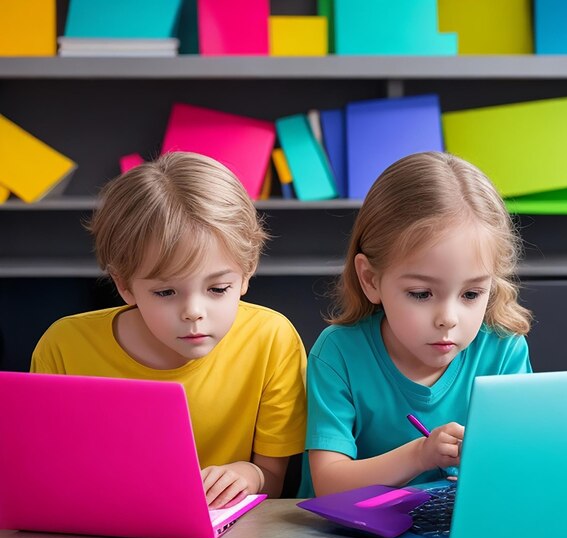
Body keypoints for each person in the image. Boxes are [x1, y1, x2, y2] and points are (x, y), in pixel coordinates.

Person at [31, 152, 307, 508]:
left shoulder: (271, 338)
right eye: (165, 292)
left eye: (217, 289)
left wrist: (248, 475)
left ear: (246, 272)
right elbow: (46, 477)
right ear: (124, 285)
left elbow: (272, 479)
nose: (194, 312)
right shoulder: (64, 346)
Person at [299, 151, 532, 497]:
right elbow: (329, 483)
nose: (448, 319)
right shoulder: (339, 353)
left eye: (471, 294)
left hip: (455, 537)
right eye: (422, 294)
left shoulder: (503, 349)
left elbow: (522, 468)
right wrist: (420, 455)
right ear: (370, 279)